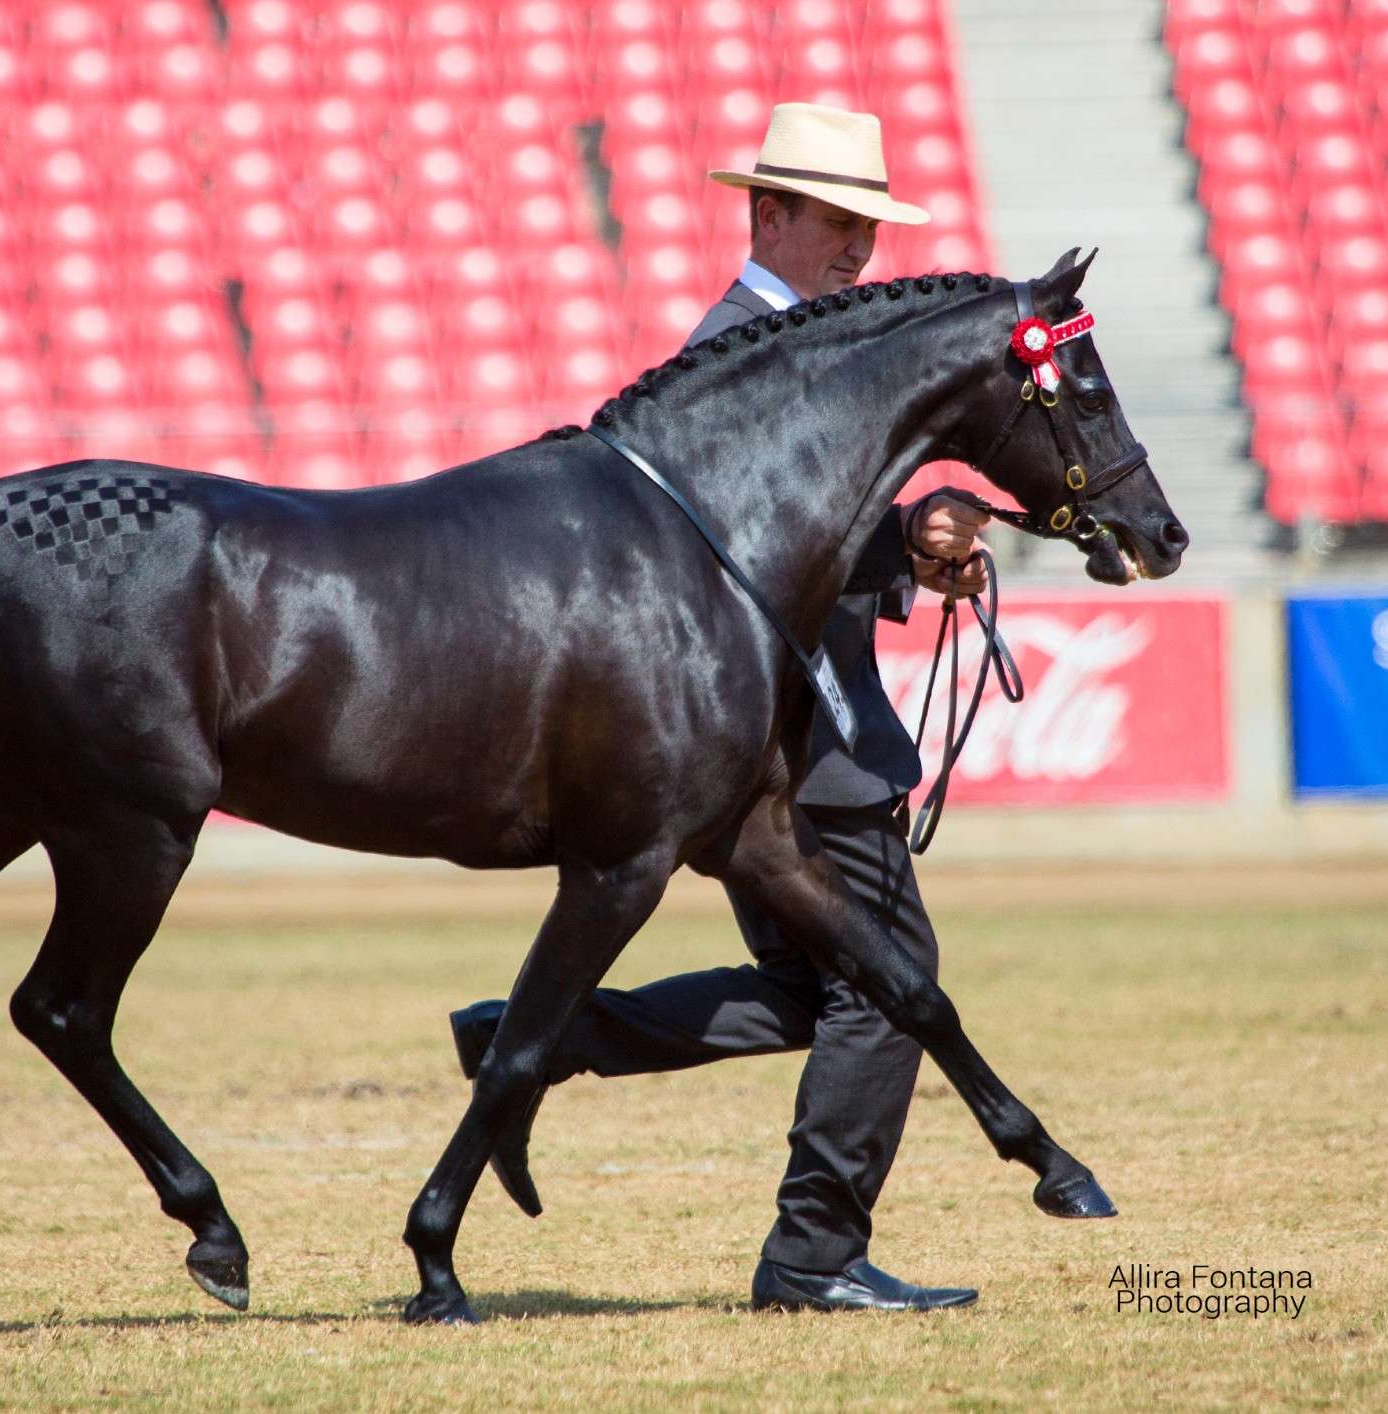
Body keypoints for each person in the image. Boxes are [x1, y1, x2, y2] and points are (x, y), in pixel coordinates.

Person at [449, 102, 994, 1314]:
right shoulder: (737, 350)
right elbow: (752, 557)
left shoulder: (797, 346)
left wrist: (912, 547)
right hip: (796, 748)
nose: (861, 246)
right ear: (768, 213)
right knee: (891, 980)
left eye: (871, 224)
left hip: (772, 745)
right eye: (839, 221)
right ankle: (813, 1258)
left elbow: (816, 546)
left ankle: (537, 1035)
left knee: (818, 990)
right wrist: (908, 538)